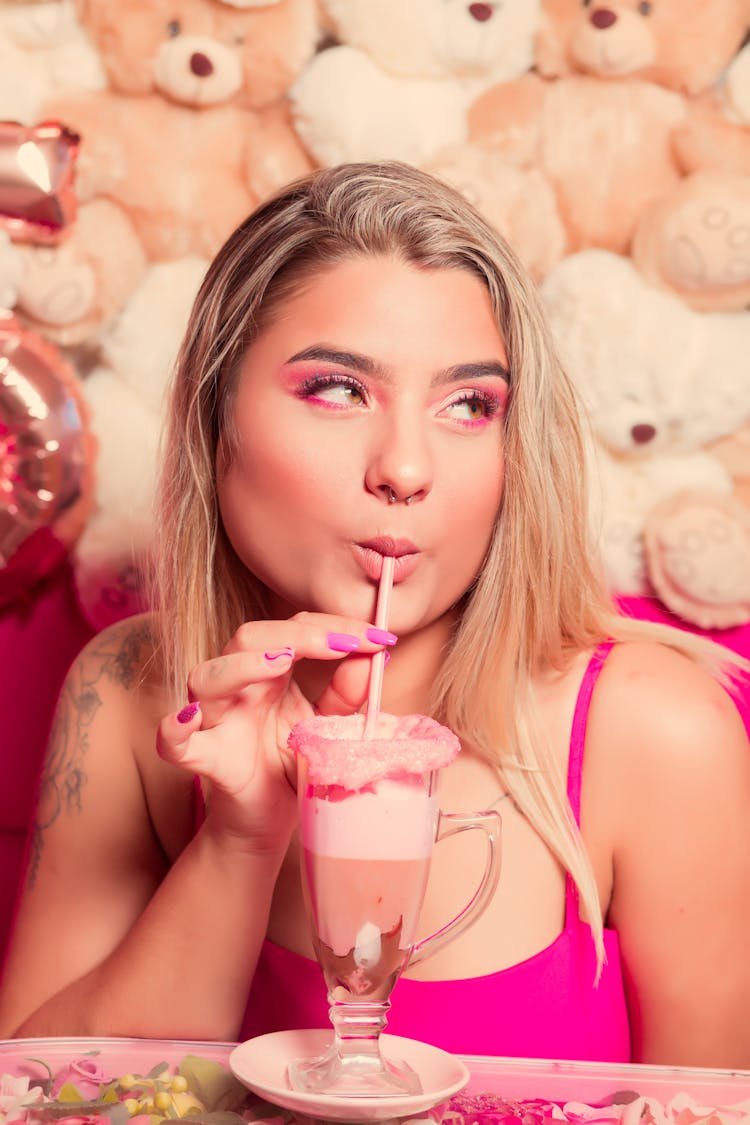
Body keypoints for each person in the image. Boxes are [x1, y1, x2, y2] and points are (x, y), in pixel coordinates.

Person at [0, 161, 748, 1067]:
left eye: (469, 404)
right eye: (339, 389)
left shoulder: (655, 728)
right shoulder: (127, 691)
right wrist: (241, 838)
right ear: (216, 414)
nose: (406, 466)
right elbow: (43, 1095)